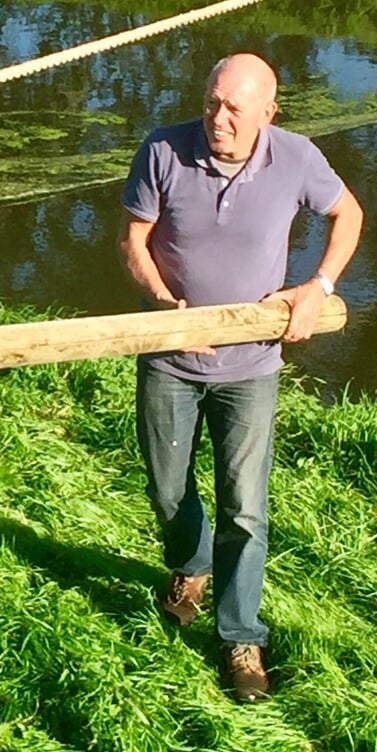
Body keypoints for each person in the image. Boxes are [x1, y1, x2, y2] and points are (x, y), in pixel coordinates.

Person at [118, 53, 363, 703]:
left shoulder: (296, 158)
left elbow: (349, 216)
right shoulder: (164, 149)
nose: (217, 117)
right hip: (170, 357)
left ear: (266, 112)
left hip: (252, 366)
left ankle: (239, 637)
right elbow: (133, 242)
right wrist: (169, 311)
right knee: (168, 489)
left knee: (245, 506)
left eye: (233, 108)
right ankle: (189, 564)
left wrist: (319, 286)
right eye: (210, 101)